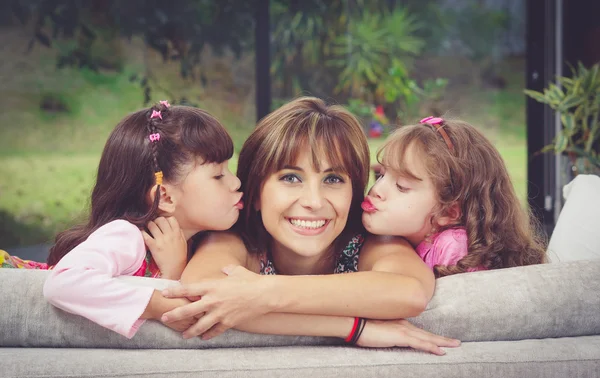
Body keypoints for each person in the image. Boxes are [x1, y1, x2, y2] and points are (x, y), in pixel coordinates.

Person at [157, 97, 460, 355]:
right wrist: (353, 328)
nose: (314, 201)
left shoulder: (368, 242)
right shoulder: (239, 241)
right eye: (291, 178)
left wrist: (264, 293)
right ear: (257, 191)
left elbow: (409, 293)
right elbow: (202, 298)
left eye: (333, 179)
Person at [41, 100, 244, 338]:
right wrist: (157, 305)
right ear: (165, 196)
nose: (236, 182)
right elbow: (63, 283)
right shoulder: (127, 236)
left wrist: (174, 272)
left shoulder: (205, 246)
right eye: (218, 175)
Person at [362, 116, 546, 277]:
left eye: (401, 186)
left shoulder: (454, 247)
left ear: (448, 212)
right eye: (382, 174)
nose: (377, 189)